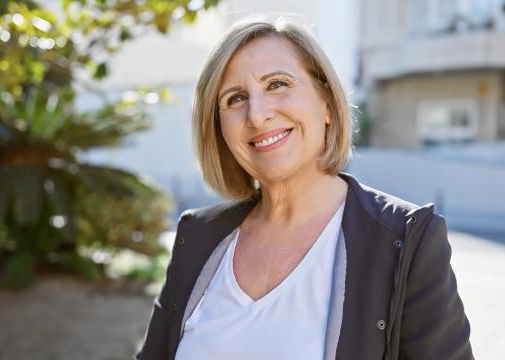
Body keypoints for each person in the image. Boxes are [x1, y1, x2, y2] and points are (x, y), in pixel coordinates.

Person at [134, 16, 473, 360]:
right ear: (218, 127)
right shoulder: (198, 236)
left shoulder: (407, 241)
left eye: (277, 84)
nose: (257, 114)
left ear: (326, 103)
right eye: (235, 99)